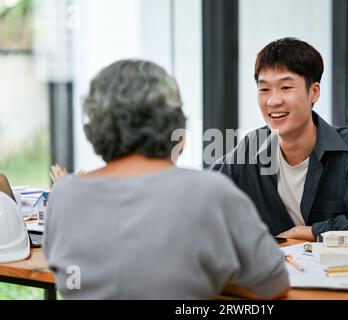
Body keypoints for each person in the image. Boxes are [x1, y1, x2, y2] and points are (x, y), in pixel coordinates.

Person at [43, 59, 289, 300]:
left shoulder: (64, 194)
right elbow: (274, 284)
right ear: (176, 126)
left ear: (94, 125)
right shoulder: (209, 192)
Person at [210, 37, 348, 242]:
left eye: (286, 88)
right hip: (276, 272)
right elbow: (203, 201)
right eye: (264, 89)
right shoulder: (251, 148)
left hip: (338, 273)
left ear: (314, 92)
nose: (273, 100)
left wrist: (308, 232)